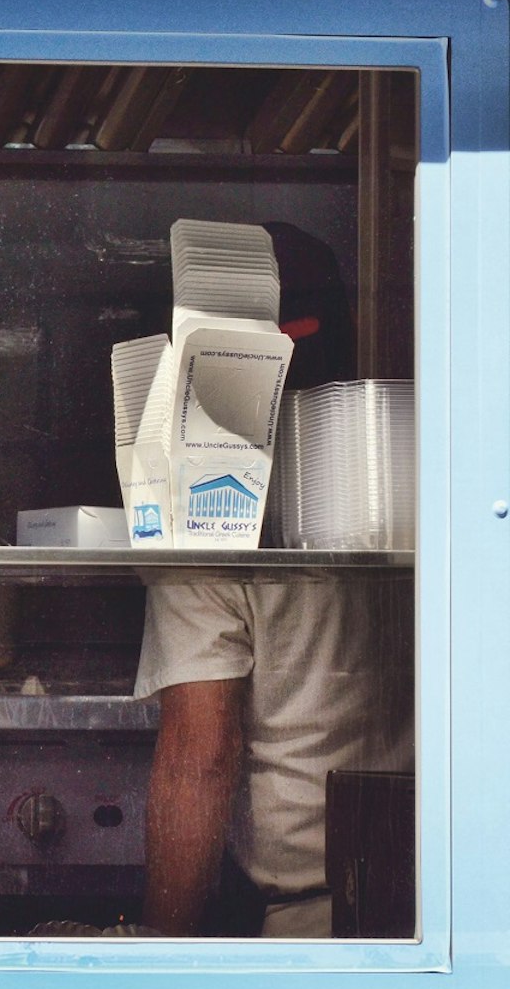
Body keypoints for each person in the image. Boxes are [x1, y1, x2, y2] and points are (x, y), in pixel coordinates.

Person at [137, 224, 413, 938]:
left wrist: (161, 957)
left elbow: (201, 756)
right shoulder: (407, 474)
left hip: (314, 926)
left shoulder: (207, 509)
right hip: (447, 908)